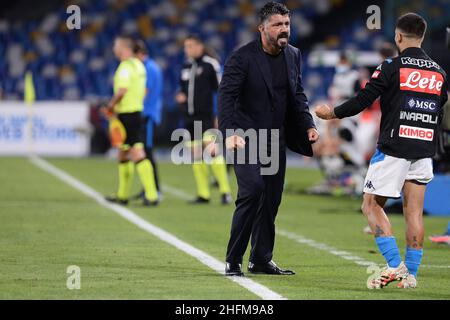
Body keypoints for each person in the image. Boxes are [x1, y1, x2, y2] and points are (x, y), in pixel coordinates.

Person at [315, 13, 448, 289]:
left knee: (370, 205)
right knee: (414, 213)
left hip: (394, 147)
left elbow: (364, 99)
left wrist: (332, 113)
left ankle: (393, 265)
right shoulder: (439, 72)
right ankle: (410, 275)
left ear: (398, 36)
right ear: (421, 36)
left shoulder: (391, 66)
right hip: (424, 148)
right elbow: (441, 105)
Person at [219, 2, 319, 276]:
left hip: (276, 140)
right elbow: (226, 97)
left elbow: (297, 94)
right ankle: (234, 259)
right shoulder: (241, 58)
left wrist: (308, 124)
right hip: (245, 137)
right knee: (252, 191)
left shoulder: (294, 55)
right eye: (277, 25)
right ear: (262, 28)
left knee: (271, 200)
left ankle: (261, 259)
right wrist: (229, 134)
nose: (284, 29)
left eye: (286, 24)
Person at [176, 34, 232, 205]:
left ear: (200, 46)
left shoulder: (210, 64)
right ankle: (203, 194)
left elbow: (222, 90)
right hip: (189, 117)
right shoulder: (186, 66)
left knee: (212, 151)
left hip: (207, 115)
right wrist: (181, 96)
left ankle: (225, 191)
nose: (187, 50)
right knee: (196, 155)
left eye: (190, 46)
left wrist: (220, 114)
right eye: (186, 47)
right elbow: (183, 89)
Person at [103, 35, 159, 207]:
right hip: (135, 112)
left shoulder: (126, 67)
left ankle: (151, 195)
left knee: (136, 152)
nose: (114, 48)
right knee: (123, 152)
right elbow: (142, 91)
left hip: (128, 113)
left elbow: (122, 90)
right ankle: (123, 195)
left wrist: (110, 106)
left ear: (124, 48)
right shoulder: (139, 65)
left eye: (116, 45)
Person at [133, 39, 163, 200]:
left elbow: (145, 91)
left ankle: (155, 189)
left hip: (148, 115)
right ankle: (147, 187)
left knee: (147, 152)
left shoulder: (148, 68)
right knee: (144, 151)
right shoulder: (151, 66)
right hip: (147, 114)